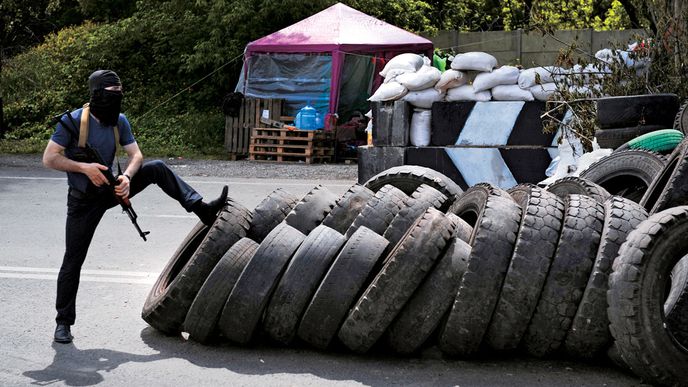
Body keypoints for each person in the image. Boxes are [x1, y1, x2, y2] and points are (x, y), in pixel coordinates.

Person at [43, 70, 228, 344]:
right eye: (110, 95)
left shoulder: (119, 121)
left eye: (119, 94)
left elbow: (136, 155)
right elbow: (49, 158)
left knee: (157, 169)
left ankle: (202, 208)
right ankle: (63, 323)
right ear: (95, 94)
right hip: (82, 201)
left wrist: (127, 178)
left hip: (111, 188)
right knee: (73, 261)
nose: (115, 100)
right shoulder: (72, 122)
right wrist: (83, 168)